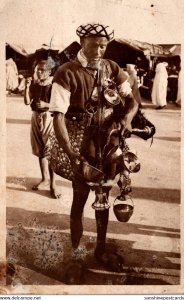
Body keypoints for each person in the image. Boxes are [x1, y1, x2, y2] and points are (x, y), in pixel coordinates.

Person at [49, 23, 138, 272]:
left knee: (103, 199)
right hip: (81, 144)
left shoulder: (112, 68)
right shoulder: (66, 72)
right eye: (94, 44)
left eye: (103, 44)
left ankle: (100, 250)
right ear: (82, 42)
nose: (99, 49)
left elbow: (131, 101)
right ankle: (76, 255)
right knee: (79, 201)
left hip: (108, 143)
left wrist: (126, 120)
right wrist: (71, 153)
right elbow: (57, 117)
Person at [24, 59, 61, 199]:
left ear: (49, 72)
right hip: (35, 117)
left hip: (48, 118)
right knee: (40, 150)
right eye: (37, 69)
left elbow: (58, 104)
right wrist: (27, 87)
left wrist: (46, 104)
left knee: (49, 151)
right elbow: (27, 102)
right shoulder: (35, 85)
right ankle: (45, 179)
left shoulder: (53, 86)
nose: (39, 72)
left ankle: (53, 185)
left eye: (42, 70)